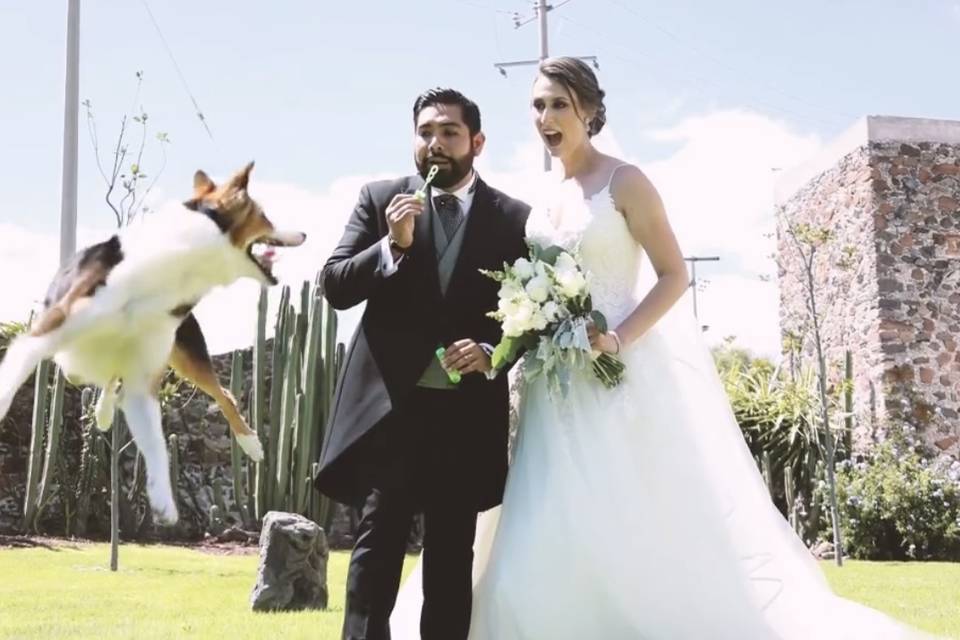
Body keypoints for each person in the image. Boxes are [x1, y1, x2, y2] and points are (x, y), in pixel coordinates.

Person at [390, 58, 931, 639]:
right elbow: (528, 292)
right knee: (543, 510)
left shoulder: (626, 182)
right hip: (550, 387)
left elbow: (674, 275)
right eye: (538, 106)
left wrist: (618, 337)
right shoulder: (540, 199)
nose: (546, 118)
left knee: (622, 511)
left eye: (560, 105)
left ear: (590, 112)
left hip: (613, 376)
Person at [315, 87, 530, 640]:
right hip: (393, 414)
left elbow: (525, 320)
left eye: (449, 133)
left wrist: (491, 351)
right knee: (375, 555)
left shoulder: (513, 219)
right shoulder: (380, 197)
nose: (435, 143)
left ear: (476, 142)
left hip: (465, 418)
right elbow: (334, 285)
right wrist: (392, 244)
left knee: (451, 566)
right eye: (426, 132)